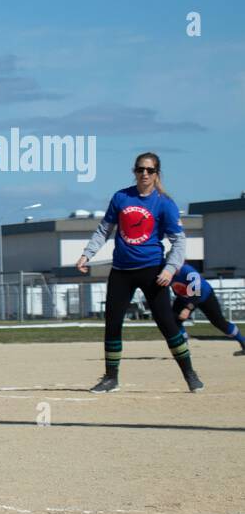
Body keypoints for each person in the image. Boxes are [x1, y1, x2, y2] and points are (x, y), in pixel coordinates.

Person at [75, 152, 202, 393]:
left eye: (150, 170)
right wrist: (87, 254)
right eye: (140, 169)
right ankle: (111, 378)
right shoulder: (121, 197)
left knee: (167, 323)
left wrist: (169, 268)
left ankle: (190, 373)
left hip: (152, 270)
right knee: (112, 323)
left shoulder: (164, 203)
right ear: (134, 171)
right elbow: (104, 229)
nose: (145, 174)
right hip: (122, 271)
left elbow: (179, 241)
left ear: (157, 174)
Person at [170, 263, 245, 354]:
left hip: (204, 296)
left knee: (220, 323)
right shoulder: (167, 272)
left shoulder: (188, 271)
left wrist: (187, 309)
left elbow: (197, 293)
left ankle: (243, 342)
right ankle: (183, 349)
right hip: (185, 297)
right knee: (173, 320)